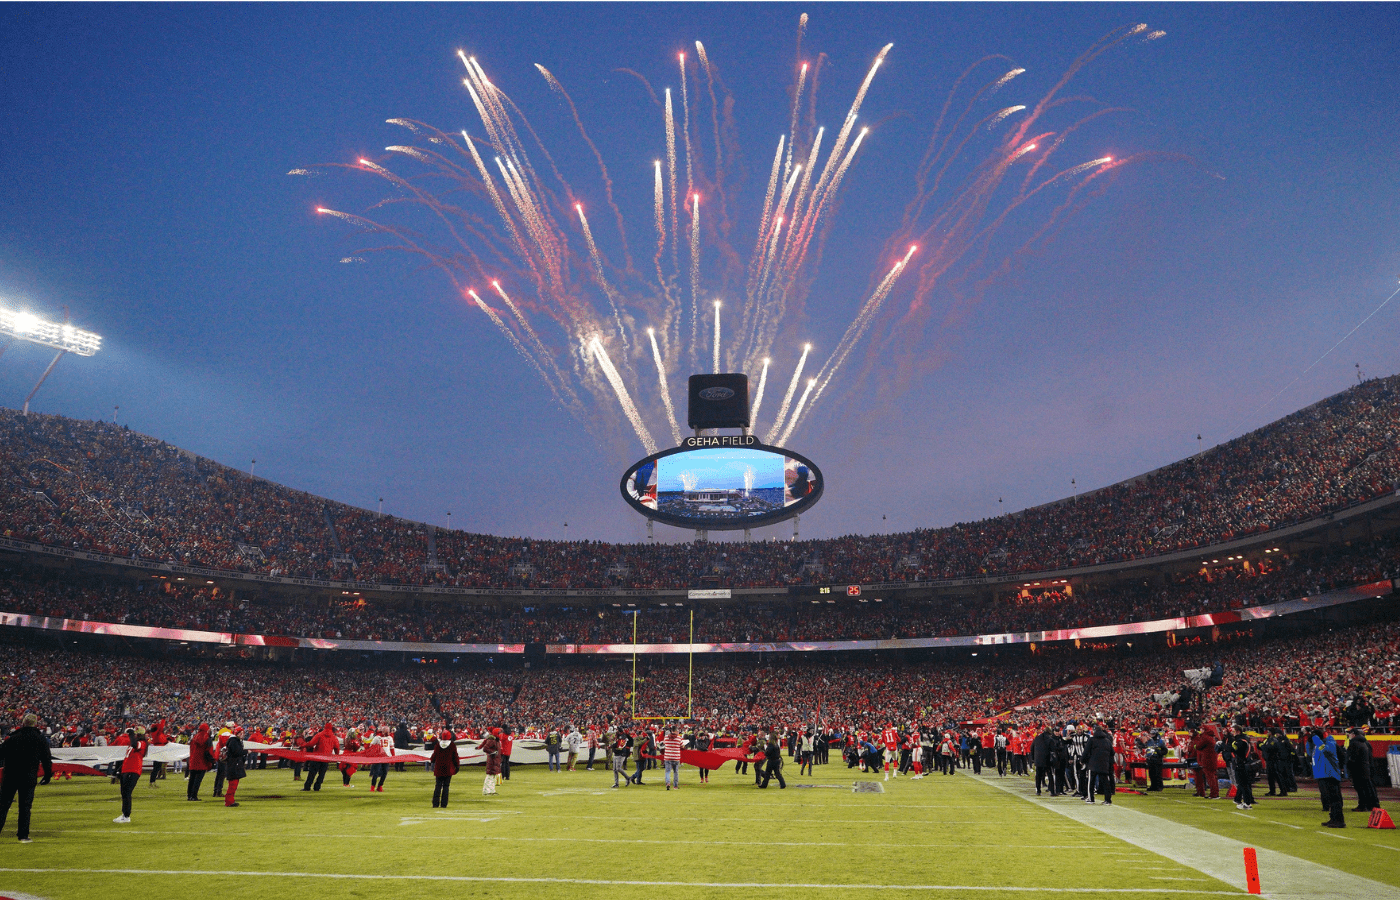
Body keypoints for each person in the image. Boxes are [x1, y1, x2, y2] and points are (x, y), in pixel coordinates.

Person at [0, 713, 53, 843]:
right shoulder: (40, 739)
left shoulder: (12, 738)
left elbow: (1, 754)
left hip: (10, 775)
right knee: (25, 807)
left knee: (3, 805)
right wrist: (47, 775)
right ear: (35, 724)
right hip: (28, 776)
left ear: (23, 723)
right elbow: (46, 759)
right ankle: (23, 835)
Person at [1307, 727, 1345, 828]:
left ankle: (1339, 821)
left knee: (1335, 799)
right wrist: (1309, 742)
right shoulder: (1318, 745)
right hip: (1322, 774)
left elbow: (1325, 750)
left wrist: (1315, 739)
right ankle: (1333, 818)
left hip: (1330, 774)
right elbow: (1310, 753)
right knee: (1329, 798)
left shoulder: (1330, 743)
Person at [114, 725, 148, 823]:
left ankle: (126, 816)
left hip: (133, 770)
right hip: (126, 769)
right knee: (124, 793)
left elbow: (134, 744)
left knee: (127, 793)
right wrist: (118, 770)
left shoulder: (142, 743)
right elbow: (127, 757)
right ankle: (124, 814)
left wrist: (131, 733)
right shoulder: (135, 743)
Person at [1346, 728, 1379, 812]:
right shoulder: (1365, 743)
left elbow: (1353, 758)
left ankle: (1363, 806)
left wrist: (1349, 767)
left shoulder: (1354, 743)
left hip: (1358, 769)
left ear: (1353, 734)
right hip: (1366, 768)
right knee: (1368, 788)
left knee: (1361, 788)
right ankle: (1372, 805)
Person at [301, 722, 338, 792]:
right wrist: (337, 756)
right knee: (322, 774)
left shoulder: (319, 735)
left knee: (312, 773)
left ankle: (307, 787)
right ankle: (317, 787)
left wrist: (304, 745)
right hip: (326, 758)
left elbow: (311, 744)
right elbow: (337, 747)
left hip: (317, 757)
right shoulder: (334, 737)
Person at [1227, 726, 1256, 810]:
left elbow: (1233, 749)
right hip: (1242, 764)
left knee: (1244, 785)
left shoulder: (1242, 741)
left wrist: (1230, 741)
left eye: (1234, 731)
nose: (1233, 733)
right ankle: (1244, 801)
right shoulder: (1243, 740)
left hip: (1242, 765)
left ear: (1238, 731)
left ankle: (1247, 803)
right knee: (1243, 784)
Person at [1086, 724, 1116, 805]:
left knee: (1091, 782)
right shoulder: (1107, 740)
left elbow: (1086, 751)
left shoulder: (1092, 740)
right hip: (1104, 764)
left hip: (1093, 764)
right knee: (1106, 782)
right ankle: (1108, 800)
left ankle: (1091, 799)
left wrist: (1083, 760)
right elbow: (1112, 752)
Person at [429, 730, 459, 808]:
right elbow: (455, 757)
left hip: (439, 768)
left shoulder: (438, 744)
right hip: (448, 769)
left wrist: (432, 762)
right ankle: (444, 804)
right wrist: (457, 766)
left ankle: (435, 803)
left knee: (438, 786)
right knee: (446, 786)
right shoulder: (452, 745)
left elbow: (433, 756)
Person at [186, 722, 215, 801]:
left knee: (191, 779)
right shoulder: (207, 739)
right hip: (202, 762)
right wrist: (212, 761)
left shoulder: (194, 737)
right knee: (197, 780)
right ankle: (194, 796)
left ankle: (189, 795)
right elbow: (208, 752)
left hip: (193, 761)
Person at [223, 725, 247, 807]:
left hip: (234, 765)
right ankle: (229, 801)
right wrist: (246, 752)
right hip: (234, 765)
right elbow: (237, 752)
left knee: (234, 784)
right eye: (241, 733)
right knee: (233, 784)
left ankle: (230, 800)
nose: (243, 735)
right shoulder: (233, 741)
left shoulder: (234, 740)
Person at [368, 724, 394, 792]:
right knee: (376, 773)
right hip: (379, 757)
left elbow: (392, 749)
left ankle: (380, 786)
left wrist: (393, 758)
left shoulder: (390, 738)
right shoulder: (377, 738)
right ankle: (372, 786)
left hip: (386, 757)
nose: (387, 732)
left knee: (385, 773)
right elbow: (371, 746)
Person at [481, 729, 502, 796]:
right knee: (490, 776)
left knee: (493, 776)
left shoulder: (496, 740)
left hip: (495, 760)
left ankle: (491, 790)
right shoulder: (492, 740)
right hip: (492, 760)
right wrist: (492, 752)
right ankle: (487, 791)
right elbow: (485, 748)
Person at [661, 726, 683, 790]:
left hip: (667, 757)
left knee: (667, 771)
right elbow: (682, 745)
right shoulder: (679, 738)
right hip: (676, 757)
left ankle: (668, 783)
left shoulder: (666, 737)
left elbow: (663, 743)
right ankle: (675, 786)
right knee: (675, 772)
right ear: (676, 731)